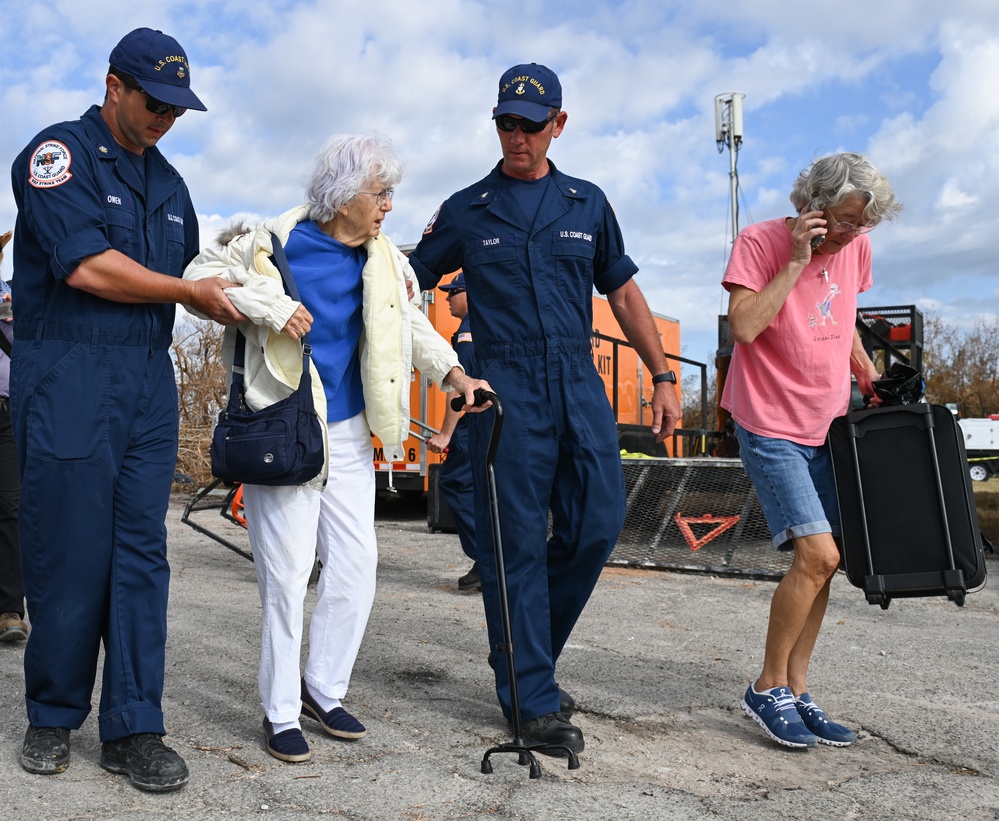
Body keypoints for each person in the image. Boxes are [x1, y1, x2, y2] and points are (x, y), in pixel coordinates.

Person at [184, 133, 489, 764]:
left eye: (390, 194)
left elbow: (412, 325)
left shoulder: (386, 259)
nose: (388, 206)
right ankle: (279, 710)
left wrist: (456, 377)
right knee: (287, 575)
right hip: (285, 429)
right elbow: (199, 277)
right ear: (344, 193)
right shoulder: (270, 242)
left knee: (356, 568)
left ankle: (324, 687)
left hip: (352, 433)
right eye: (381, 193)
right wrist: (269, 306)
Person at [409, 63, 681, 755]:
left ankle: (525, 656)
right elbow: (403, 279)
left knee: (598, 524)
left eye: (531, 124)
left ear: (558, 124)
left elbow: (621, 294)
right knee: (515, 547)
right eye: (506, 122)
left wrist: (662, 375)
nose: (517, 136)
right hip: (504, 387)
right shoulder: (468, 208)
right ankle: (530, 700)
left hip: (576, 378)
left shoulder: (586, 203)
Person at [9, 28, 243, 791]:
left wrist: (249, 285)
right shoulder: (57, 157)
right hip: (72, 374)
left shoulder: (171, 184)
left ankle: (134, 724)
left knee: (142, 558)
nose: (165, 119)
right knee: (71, 551)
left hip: (146, 383)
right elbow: (86, 267)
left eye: (177, 108)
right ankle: (51, 714)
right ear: (114, 85)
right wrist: (188, 293)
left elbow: (201, 275)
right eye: (153, 102)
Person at [721, 152, 901, 749]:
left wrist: (868, 374)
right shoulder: (760, 241)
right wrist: (798, 258)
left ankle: (796, 690)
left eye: (861, 225)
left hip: (829, 423)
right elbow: (745, 327)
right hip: (770, 421)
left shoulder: (856, 248)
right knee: (818, 556)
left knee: (829, 562)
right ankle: (766, 686)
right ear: (813, 208)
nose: (852, 235)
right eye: (845, 222)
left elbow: (843, 316)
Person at [426, 273, 479, 591]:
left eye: (453, 292)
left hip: (473, 424)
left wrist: (446, 435)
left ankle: (488, 561)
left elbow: (460, 391)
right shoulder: (488, 324)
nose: (447, 298)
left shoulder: (467, 333)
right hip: (490, 424)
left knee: (457, 484)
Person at [0, 231, 26, 644]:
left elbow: (21, 345)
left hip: (6, 411)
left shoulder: (10, 297)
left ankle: (9, 611)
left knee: (11, 508)